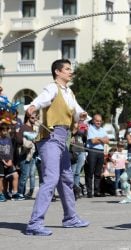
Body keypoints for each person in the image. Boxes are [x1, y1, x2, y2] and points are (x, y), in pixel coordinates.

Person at [25, 59, 89, 236]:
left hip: (63, 139)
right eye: (67, 69)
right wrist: (32, 106)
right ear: (57, 72)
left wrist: (81, 115)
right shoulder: (52, 88)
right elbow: (42, 99)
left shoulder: (69, 92)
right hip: (50, 138)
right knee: (51, 179)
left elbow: (77, 112)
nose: (71, 72)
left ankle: (71, 218)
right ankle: (34, 224)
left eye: (71, 69)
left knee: (66, 179)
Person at [85, 114, 109, 198]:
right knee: (90, 172)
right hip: (92, 151)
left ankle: (97, 191)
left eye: (100, 121)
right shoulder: (90, 128)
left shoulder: (103, 129)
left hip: (100, 152)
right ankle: (89, 192)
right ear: (93, 121)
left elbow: (107, 140)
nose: (98, 122)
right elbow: (93, 141)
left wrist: (98, 138)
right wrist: (102, 139)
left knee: (98, 173)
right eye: (97, 121)